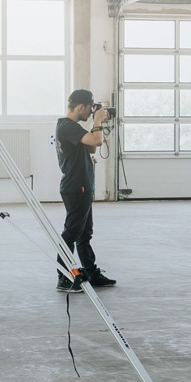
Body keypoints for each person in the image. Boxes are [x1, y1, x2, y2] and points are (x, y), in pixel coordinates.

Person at [54, 89, 117, 292]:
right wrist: (97, 121)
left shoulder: (72, 128)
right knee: (71, 232)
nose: (91, 112)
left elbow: (91, 147)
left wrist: (96, 123)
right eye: (90, 108)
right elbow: (97, 141)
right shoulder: (67, 126)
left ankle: (90, 272)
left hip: (81, 185)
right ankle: (63, 276)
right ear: (81, 106)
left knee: (84, 233)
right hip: (76, 186)